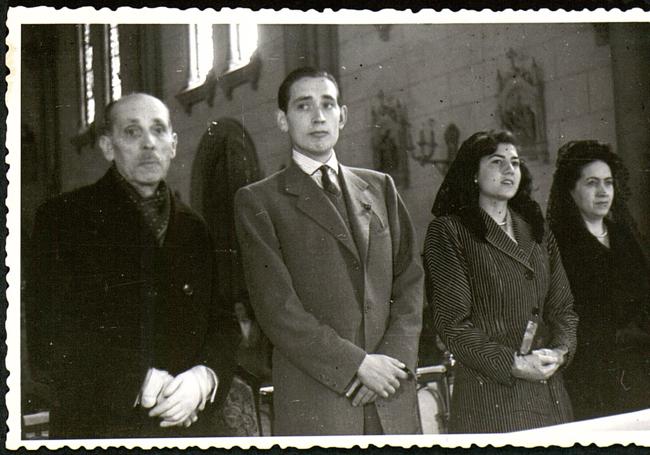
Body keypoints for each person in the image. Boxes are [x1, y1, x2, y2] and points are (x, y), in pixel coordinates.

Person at [25, 93, 238, 438]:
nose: (149, 143)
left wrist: (204, 380)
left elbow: (223, 323)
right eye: (132, 132)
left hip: (191, 426)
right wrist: (139, 382)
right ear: (108, 146)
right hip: (105, 428)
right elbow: (49, 342)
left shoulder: (194, 226)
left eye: (158, 130)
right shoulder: (64, 219)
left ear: (173, 144)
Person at [234, 67, 424, 435]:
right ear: (282, 119)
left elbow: (410, 282)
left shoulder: (380, 187)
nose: (318, 116)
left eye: (328, 104)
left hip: (390, 394)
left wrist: (391, 363)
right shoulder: (259, 200)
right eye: (303, 106)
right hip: (320, 400)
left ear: (343, 115)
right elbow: (278, 309)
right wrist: (357, 365)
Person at [423, 130, 578, 433]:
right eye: (497, 162)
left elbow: (564, 309)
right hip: (492, 398)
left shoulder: (537, 231)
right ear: (474, 173)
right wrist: (515, 364)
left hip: (551, 395)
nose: (510, 170)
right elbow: (453, 325)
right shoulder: (449, 232)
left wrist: (560, 352)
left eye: (516, 162)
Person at [547, 140, 650, 420]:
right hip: (591, 374)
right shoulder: (558, 244)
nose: (603, 192)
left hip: (640, 366)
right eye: (592, 183)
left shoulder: (625, 236)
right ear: (571, 189)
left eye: (608, 182)